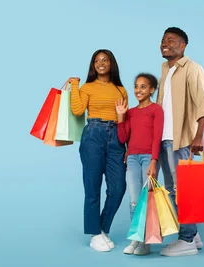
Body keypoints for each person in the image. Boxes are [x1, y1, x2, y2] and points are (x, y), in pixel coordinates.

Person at [156, 27, 204, 257]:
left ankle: (186, 239)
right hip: (164, 139)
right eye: (162, 40)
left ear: (183, 46)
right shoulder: (165, 70)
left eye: (170, 40)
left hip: (181, 140)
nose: (164, 44)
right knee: (172, 190)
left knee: (183, 191)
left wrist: (199, 136)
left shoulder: (193, 69)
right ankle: (194, 235)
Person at [67, 49, 128, 252]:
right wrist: (75, 85)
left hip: (117, 137)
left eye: (105, 60)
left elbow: (125, 121)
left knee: (118, 188)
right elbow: (77, 110)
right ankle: (95, 234)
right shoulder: (87, 87)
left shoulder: (121, 89)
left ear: (112, 63)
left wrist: (127, 145)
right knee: (92, 188)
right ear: (93, 65)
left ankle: (102, 228)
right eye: (96, 60)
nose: (101, 63)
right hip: (93, 134)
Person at [115, 73, 164, 255]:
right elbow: (123, 137)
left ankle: (146, 242)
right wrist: (121, 117)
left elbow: (157, 137)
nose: (138, 90)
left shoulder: (156, 110)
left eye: (143, 87)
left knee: (147, 200)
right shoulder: (131, 113)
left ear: (152, 89)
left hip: (148, 159)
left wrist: (153, 160)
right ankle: (136, 238)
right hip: (133, 158)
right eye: (136, 86)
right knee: (134, 200)